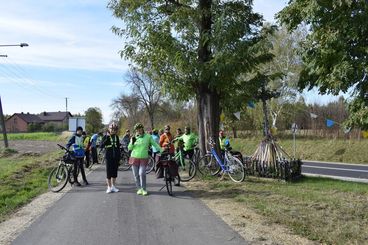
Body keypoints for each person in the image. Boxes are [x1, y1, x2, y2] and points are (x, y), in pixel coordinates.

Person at [128, 123, 162, 196]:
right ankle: (139, 189)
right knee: (136, 175)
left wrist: (161, 150)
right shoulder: (133, 137)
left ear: (142, 129)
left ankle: (144, 189)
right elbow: (129, 148)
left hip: (143, 158)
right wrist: (132, 142)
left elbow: (155, 144)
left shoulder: (148, 137)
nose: (138, 131)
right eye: (137, 130)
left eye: (140, 129)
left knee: (142, 173)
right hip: (134, 157)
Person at [100, 122, 121, 194]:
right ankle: (109, 187)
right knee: (109, 173)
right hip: (108, 157)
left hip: (115, 157)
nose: (113, 130)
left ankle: (113, 186)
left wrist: (119, 157)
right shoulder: (105, 136)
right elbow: (101, 145)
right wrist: (107, 137)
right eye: (112, 129)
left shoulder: (116, 137)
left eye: (115, 129)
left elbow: (118, 147)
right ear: (109, 129)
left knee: (114, 173)